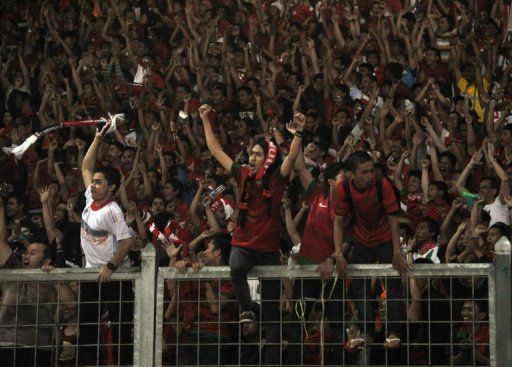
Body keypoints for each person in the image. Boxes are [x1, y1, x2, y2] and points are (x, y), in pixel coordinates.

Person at [199, 103, 305, 364]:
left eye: (259, 154)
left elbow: (290, 158)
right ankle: (247, 309)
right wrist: (204, 120)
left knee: (271, 311)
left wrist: (299, 134)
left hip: (268, 250)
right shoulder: (243, 173)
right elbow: (215, 150)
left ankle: (271, 360)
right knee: (235, 266)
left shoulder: (277, 179)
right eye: (252, 154)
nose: (254, 158)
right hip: (244, 245)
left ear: (268, 158)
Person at [333, 151, 411, 353]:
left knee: (393, 283)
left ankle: (394, 332)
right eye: (365, 172)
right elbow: (338, 221)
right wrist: (338, 253)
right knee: (360, 285)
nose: (370, 175)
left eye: (371, 170)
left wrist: (396, 251)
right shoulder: (343, 189)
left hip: (385, 236)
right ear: (352, 174)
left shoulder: (382, 183)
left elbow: (393, 218)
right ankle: (366, 331)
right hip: (362, 237)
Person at [78, 129, 135, 365]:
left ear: (111, 188)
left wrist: (110, 266)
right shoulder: (91, 199)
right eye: (94, 182)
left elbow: (127, 241)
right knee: (88, 330)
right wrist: (97, 140)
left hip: (114, 277)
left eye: (99, 183)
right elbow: (85, 167)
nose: (93, 185)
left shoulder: (112, 211)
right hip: (93, 274)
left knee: (121, 333)